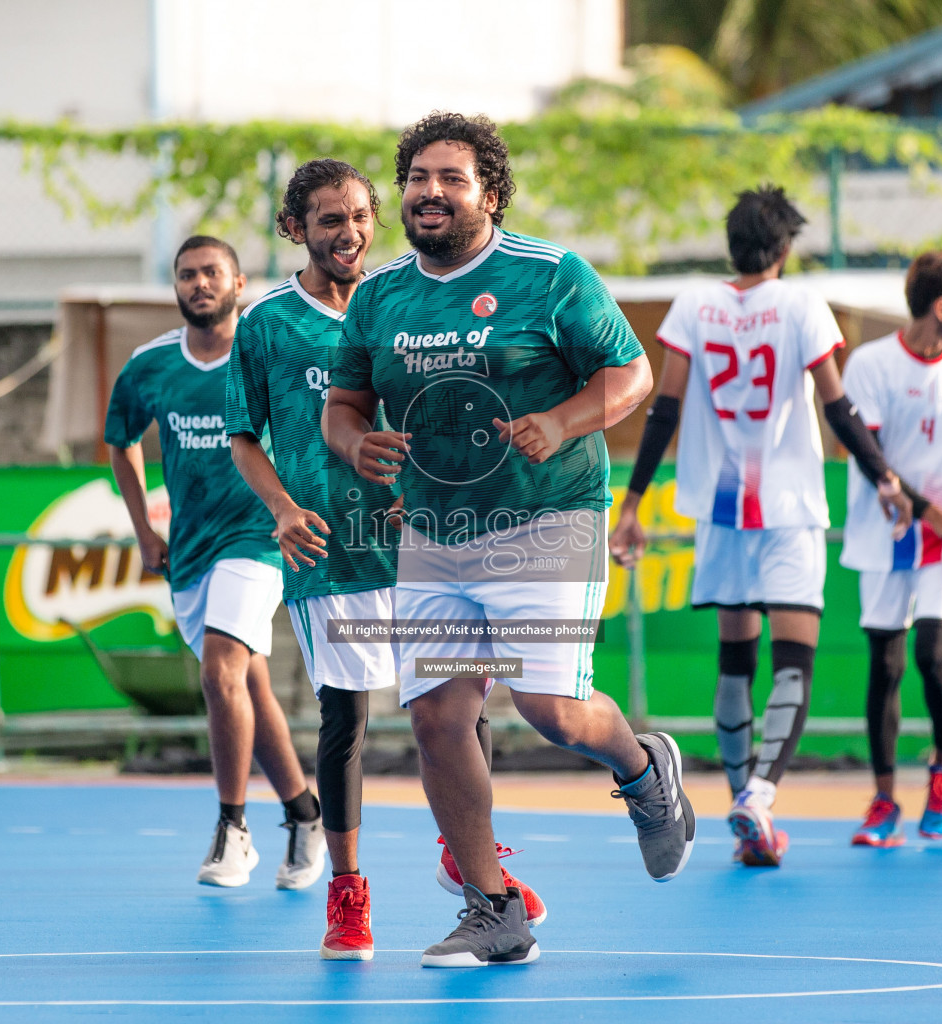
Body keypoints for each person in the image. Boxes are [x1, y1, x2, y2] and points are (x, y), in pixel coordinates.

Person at [326, 112, 693, 969]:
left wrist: (563, 422)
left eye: (451, 178)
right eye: (416, 176)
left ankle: (643, 767)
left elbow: (631, 373)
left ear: (489, 194)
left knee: (548, 710)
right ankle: (494, 909)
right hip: (433, 528)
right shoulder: (379, 297)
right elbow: (343, 405)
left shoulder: (551, 274)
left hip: (548, 517)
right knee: (436, 716)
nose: (429, 191)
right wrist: (356, 443)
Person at [228, 159, 542, 960]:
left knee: (460, 706)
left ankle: (471, 863)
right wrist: (283, 507)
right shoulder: (268, 323)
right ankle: (348, 892)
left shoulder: (402, 303)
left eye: (362, 217)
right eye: (330, 220)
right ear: (295, 227)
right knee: (350, 716)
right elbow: (241, 435)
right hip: (330, 550)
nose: (350, 233)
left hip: (424, 538)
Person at [610, 187, 942, 868]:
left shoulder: (693, 304)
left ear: (732, 243)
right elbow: (839, 409)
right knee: (794, 659)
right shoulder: (803, 305)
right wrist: (887, 482)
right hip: (788, 508)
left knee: (735, 660)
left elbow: (664, 407)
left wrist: (632, 503)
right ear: (783, 248)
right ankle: (761, 797)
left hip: (721, 514)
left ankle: (740, 798)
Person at [106, 236, 322, 891]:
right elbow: (120, 443)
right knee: (245, 687)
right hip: (191, 551)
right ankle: (305, 814)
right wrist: (145, 530)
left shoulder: (266, 359)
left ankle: (234, 830)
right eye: (187, 274)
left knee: (220, 672)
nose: (199, 283)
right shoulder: (149, 367)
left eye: (211, 273)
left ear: (238, 282)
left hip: (257, 541)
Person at [842, 251, 942, 847]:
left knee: (933, 652)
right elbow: (871, 458)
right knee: (886, 663)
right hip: (889, 533)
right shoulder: (872, 365)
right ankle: (884, 801)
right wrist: (935, 516)